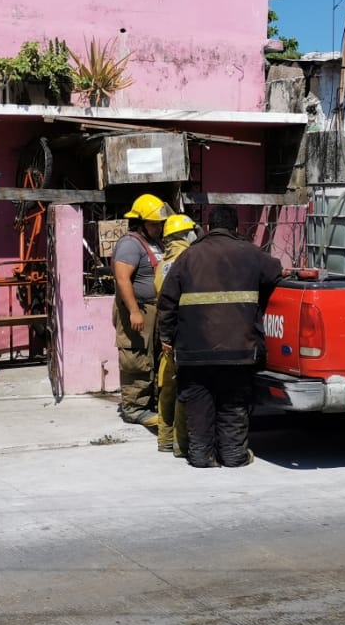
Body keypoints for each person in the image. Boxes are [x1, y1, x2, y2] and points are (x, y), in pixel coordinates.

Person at [156, 206, 283, 468]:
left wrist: (167, 336)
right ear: (235, 228)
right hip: (239, 347)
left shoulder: (189, 256)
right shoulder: (250, 253)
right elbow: (275, 272)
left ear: (207, 227)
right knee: (233, 403)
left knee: (198, 402)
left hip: (194, 349)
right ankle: (234, 455)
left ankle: (201, 456)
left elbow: (167, 300)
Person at [111, 193, 171, 427]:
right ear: (140, 222)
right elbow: (123, 279)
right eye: (154, 223)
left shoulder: (156, 243)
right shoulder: (129, 244)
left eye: (160, 223)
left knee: (154, 359)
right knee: (136, 358)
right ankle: (134, 408)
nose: (158, 227)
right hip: (138, 312)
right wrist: (134, 311)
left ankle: (151, 404)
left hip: (155, 312)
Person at [153, 213, 197, 458]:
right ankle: (181, 444)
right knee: (184, 387)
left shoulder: (163, 263)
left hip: (166, 333)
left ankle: (165, 440)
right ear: (185, 234)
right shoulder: (187, 258)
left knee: (167, 388)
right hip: (183, 331)